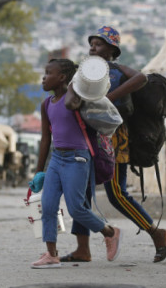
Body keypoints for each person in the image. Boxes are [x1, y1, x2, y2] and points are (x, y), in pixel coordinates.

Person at [61, 26, 166, 264]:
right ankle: (82, 249)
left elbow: (141, 78)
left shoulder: (117, 69)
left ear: (112, 49)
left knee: (116, 194)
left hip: (112, 138)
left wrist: (108, 99)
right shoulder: (85, 70)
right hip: (87, 136)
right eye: (91, 43)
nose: (93, 47)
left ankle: (156, 233)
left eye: (99, 44)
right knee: (82, 194)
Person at [30, 58, 122, 269]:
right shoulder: (46, 104)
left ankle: (110, 232)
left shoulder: (76, 97)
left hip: (77, 158)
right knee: (49, 206)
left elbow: (71, 104)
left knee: (76, 208)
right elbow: (46, 138)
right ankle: (51, 254)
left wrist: (73, 84)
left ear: (62, 77)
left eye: (48, 73)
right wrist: (38, 171)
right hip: (57, 159)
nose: (43, 77)